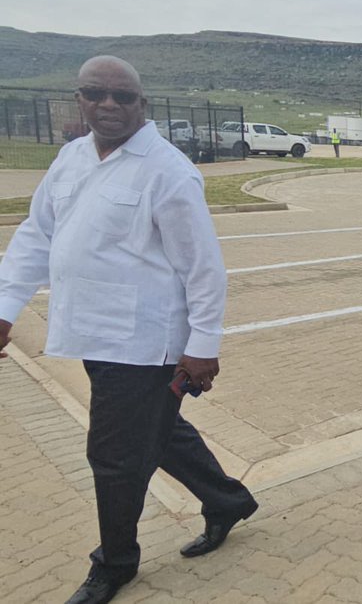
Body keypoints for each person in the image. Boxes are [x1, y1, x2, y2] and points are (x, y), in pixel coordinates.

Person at [0, 56, 258, 604]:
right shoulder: (71, 158)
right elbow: (37, 235)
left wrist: (202, 347)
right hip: (91, 332)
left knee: (114, 455)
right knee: (153, 430)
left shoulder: (167, 170)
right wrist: (6, 306)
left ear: (142, 104)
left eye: (123, 97)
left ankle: (114, 564)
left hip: (145, 340)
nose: (109, 105)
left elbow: (202, 267)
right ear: (79, 100)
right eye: (96, 94)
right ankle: (228, 500)